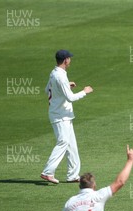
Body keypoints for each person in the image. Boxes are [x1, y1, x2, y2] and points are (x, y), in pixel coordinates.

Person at [40, 49, 93, 184]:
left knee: (71, 145)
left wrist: (65, 86)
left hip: (63, 114)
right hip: (60, 115)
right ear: (65, 60)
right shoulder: (61, 76)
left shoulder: (55, 73)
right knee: (63, 142)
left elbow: (48, 90)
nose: (70, 60)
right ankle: (47, 172)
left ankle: (73, 175)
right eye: (69, 58)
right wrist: (84, 92)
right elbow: (70, 98)